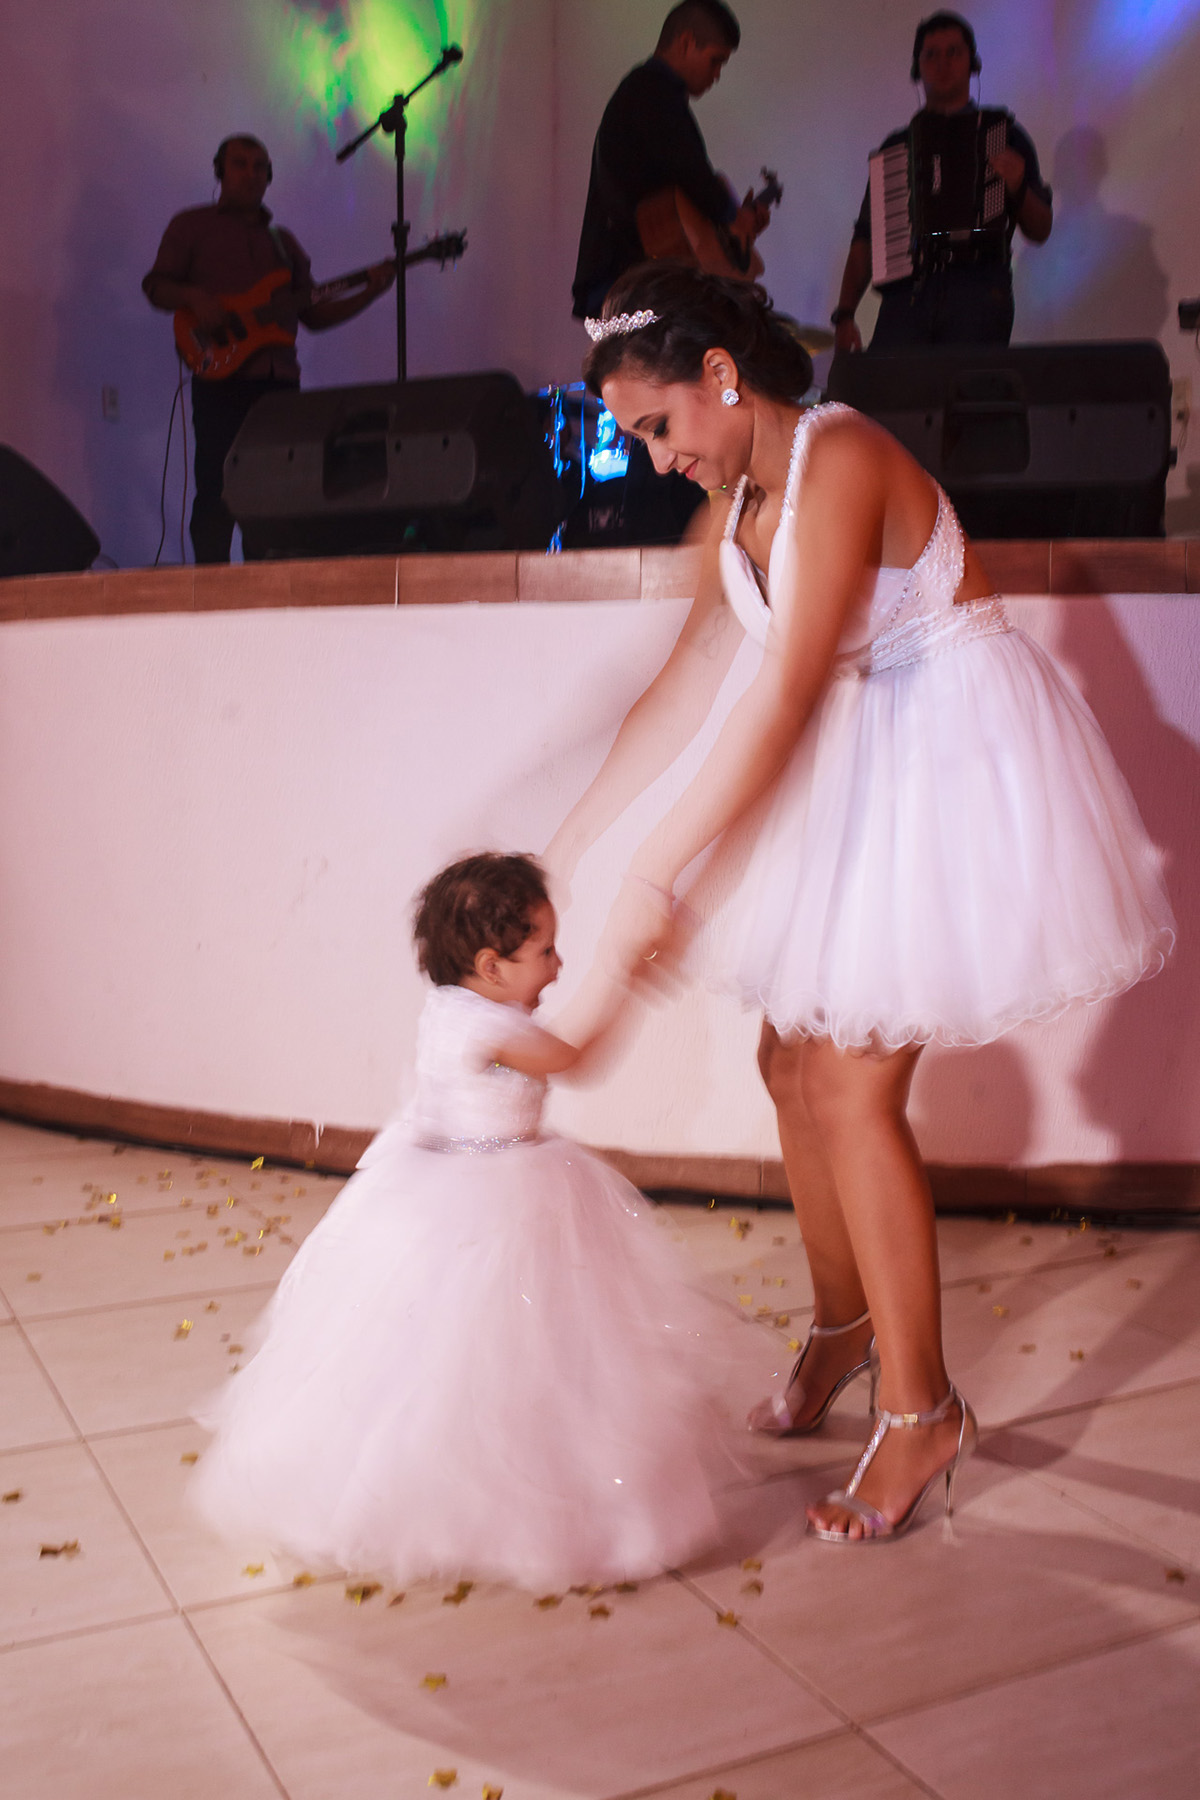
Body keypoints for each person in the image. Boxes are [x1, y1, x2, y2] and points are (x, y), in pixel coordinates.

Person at [546, 264, 1172, 1543]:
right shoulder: (735, 494)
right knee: (791, 1061)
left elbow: (785, 706)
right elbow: (681, 685)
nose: (654, 457)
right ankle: (842, 1331)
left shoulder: (836, 459)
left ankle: (924, 1408)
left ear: (722, 377)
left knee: (853, 1085)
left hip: (948, 762)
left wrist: (667, 877)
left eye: (657, 426)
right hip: (868, 754)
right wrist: (566, 848)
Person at [191, 853, 744, 1590]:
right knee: (492, 1352)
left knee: (520, 1348)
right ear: (490, 964)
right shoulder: (488, 1028)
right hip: (489, 1200)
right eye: (544, 949)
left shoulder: (455, 1006)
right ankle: (505, 1505)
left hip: (465, 1177)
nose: (557, 961)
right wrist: (626, 977)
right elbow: (573, 1057)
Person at [143, 135, 394, 563]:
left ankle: (267, 593)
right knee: (217, 489)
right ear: (219, 171)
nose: (251, 172)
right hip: (222, 378)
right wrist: (195, 298)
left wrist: (370, 293)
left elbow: (312, 314)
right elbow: (156, 286)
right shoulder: (192, 225)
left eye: (260, 166)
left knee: (276, 496)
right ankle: (208, 593)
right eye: (240, 163)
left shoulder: (284, 243)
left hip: (278, 385)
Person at [573, 0, 769, 542]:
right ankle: (668, 540)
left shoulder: (643, 98)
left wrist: (725, 227)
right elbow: (692, 176)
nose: (716, 74)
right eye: (715, 59)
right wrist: (733, 218)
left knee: (656, 421)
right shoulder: (654, 94)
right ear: (684, 43)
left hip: (627, 283)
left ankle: (675, 538)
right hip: (628, 287)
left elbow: (678, 195)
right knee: (658, 418)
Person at [831, 11, 1052, 352]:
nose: (942, 63)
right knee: (892, 398)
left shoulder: (1003, 135)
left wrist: (1019, 187)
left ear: (972, 63)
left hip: (979, 294)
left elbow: (1040, 230)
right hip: (908, 295)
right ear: (917, 69)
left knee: (968, 398)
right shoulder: (897, 148)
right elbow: (865, 236)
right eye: (931, 54)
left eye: (954, 52)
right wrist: (845, 315)